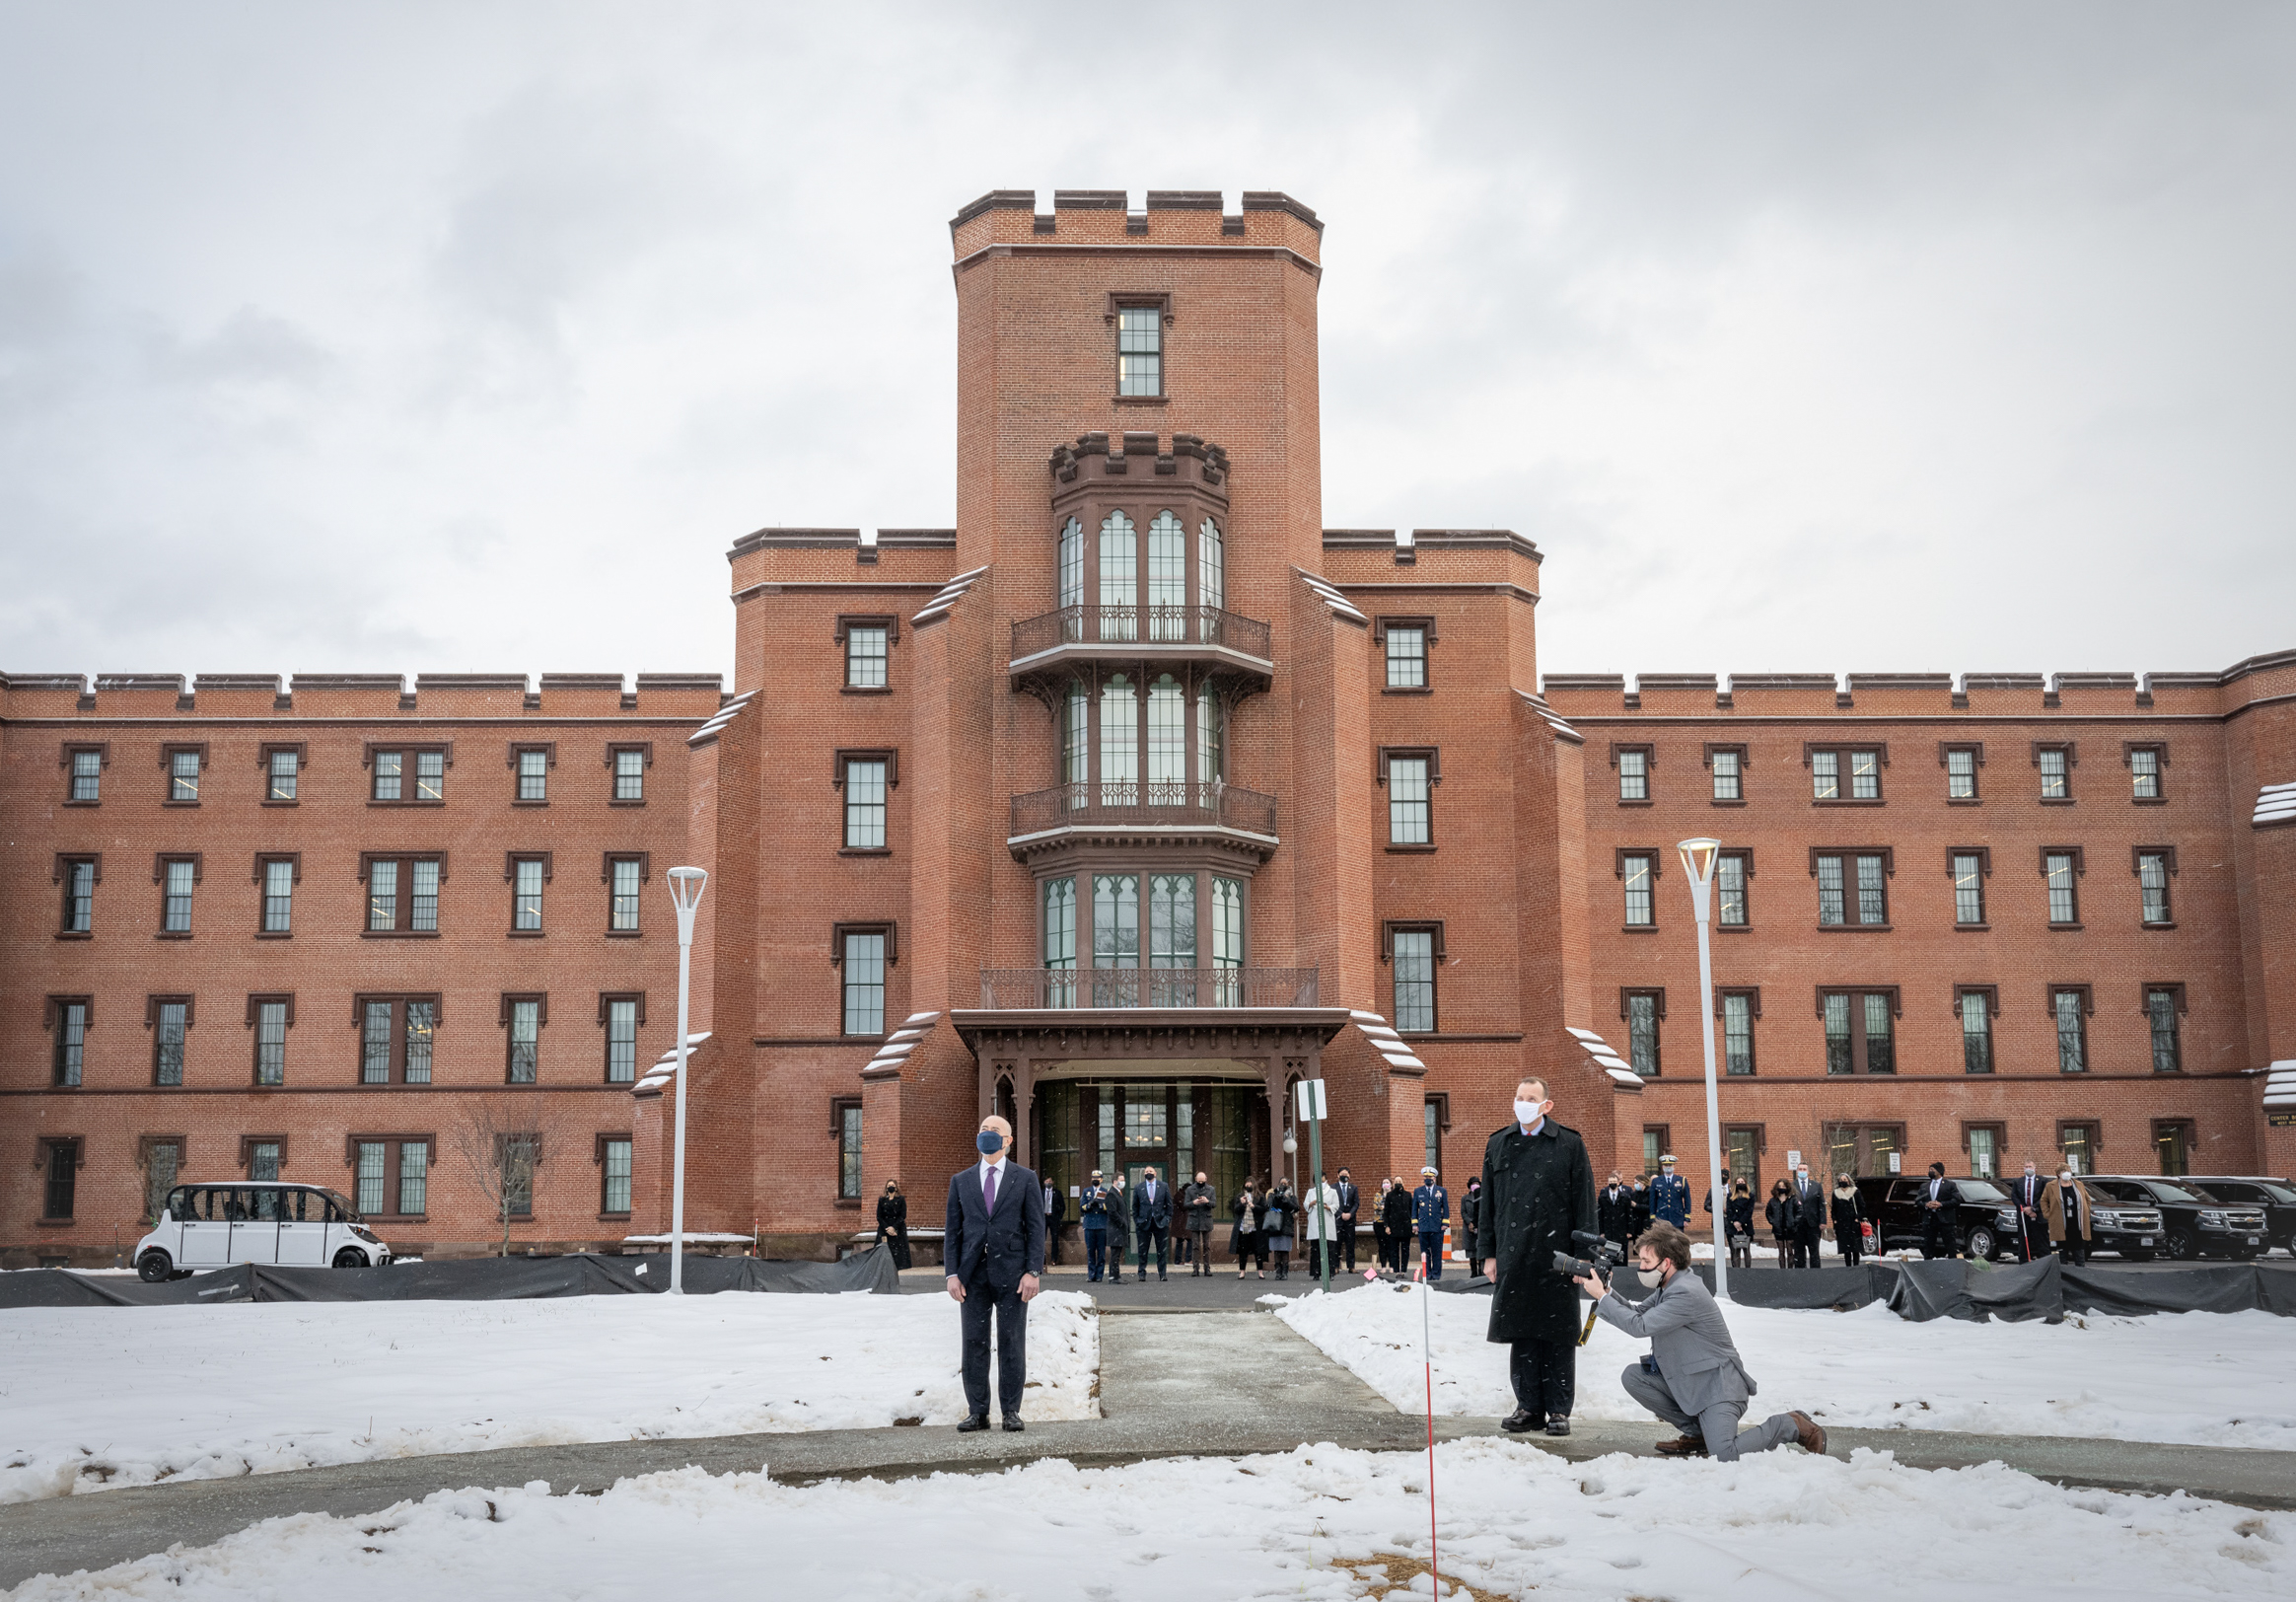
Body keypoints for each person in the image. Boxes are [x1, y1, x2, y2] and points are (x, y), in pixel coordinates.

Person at [1578, 1221, 1829, 1462]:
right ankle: (1698, 1435)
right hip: (1693, 1384)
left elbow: (1640, 1326)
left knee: (1725, 1454)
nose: (1641, 1267)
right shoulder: (1670, 1284)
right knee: (1634, 1377)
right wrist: (1607, 1292)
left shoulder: (1684, 1292)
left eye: (1646, 1261)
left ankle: (1790, 1424)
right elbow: (1641, 1314)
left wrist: (1600, 1296)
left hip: (1719, 1388)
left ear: (1667, 1262)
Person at [1477, 1077, 1596, 1438]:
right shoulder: (1499, 1143)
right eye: (1519, 1097)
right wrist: (1488, 1253)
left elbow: (1584, 1204)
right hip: (1515, 1253)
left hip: (1557, 1255)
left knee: (1558, 1334)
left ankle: (1559, 1410)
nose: (1523, 1103)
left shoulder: (1569, 1144)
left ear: (1547, 1106)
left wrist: (1583, 1259)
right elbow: (1489, 1207)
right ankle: (1528, 1406)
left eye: (1531, 1098)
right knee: (1523, 1332)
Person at [943, 1115, 1044, 1432]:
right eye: (983, 1129)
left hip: (1013, 1275)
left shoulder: (1025, 1178)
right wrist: (951, 1274)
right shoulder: (961, 1180)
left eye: (995, 1130)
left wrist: (1032, 1271)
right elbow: (953, 1232)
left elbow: (1036, 1228)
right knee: (974, 1342)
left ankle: (1011, 1411)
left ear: (1008, 1140)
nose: (987, 1134)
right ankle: (978, 1412)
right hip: (972, 1276)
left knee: (1012, 1341)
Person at [2044, 1162, 2096, 1266]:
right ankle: (2063, 1274)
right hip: (2061, 1223)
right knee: (2063, 1252)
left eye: (2068, 1171)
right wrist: (2048, 1215)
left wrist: (2086, 1210)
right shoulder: (2051, 1186)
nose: (2066, 1173)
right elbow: (2044, 1201)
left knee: (2079, 1251)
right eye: (2063, 1171)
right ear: (2058, 1174)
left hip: (2077, 1223)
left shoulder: (2078, 1184)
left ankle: (2080, 1274)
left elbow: (2087, 1200)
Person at [1131, 1166, 1172, 1282]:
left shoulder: (1163, 1186)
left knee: (1161, 1251)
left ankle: (1162, 1274)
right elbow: (1135, 1206)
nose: (1148, 1173)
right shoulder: (1139, 1187)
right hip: (1143, 1224)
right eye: (1146, 1171)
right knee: (1142, 1250)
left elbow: (1169, 1205)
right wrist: (1137, 1221)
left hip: (1160, 1223)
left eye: (1150, 1171)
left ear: (1155, 1173)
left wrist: (1167, 1219)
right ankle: (1142, 1274)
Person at [1412, 1165, 1450, 1279]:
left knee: (1437, 1253)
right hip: (1423, 1226)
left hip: (1437, 1226)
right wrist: (1414, 1224)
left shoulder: (1441, 1191)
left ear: (1434, 1178)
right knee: (1425, 1253)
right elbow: (1414, 1208)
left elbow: (1446, 1208)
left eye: (1430, 1177)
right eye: (1426, 1177)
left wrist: (1445, 1223)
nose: (1428, 1178)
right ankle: (1427, 1275)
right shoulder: (1418, 1191)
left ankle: (1436, 1275)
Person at [1918, 1163, 1963, 1260]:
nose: (1930, 1171)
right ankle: (1928, 1263)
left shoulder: (1949, 1185)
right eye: (1929, 1169)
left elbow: (1956, 1200)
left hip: (1945, 1220)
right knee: (1928, 1244)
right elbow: (1918, 1200)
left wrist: (1941, 1204)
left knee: (1950, 1244)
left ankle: (1953, 1263)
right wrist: (1926, 1204)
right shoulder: (1924, 1186)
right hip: (1930, 1219)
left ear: (1939, 1171)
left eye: (1932, 1170)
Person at [1303, 1171, 1340, 1279]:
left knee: (1329, 1249)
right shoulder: (1311, 1192)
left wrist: (1328, 1207)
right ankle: (1316, 1273)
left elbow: (1336, 1205)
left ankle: (1330, 1273)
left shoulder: (1332, 1191)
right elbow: (1305, 1204)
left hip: (1327, 1221)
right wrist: (1311, 1203)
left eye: (1323, 1180)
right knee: (1316, 1249)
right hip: (1315, 1222)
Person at [1181, 1170, 1218, 1276]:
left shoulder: (1211, 1189)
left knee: (1207, 1246)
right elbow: (1186, 1204)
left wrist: (1207, 1201)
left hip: (1206, 1219)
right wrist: (1194, 1203)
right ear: (1196, 1179)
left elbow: (1214, 1204)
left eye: (1202, 1181)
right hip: (1194, 1219)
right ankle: (1195, 1268)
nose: (1200, 1183)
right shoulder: (1190, 1190)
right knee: (1195, 1246)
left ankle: (1207, 1268)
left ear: (1205, 1180)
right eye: (1199, 1181)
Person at [2010, 1161, 2050, 1261]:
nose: (2028, 1168)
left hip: (2039, 1217)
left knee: (2042, 1242)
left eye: (2030, 1166)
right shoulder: (2018, 1182)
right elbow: (2014, 1196)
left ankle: (2044, 1264)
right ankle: (2024, 1264)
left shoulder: (2043, 1181)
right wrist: (2025, 1209)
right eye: (2026, 1167)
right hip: (2023, 1217)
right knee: (2023, 1243)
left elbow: (2045, 1197)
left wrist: (2033, 1208)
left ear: (2035, 1168)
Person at [1790, 1163, 1827, 1269]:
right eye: (1800, 1169)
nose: (1802, 1171)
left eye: (1804, 1169)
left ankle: (1815, 1274)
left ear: (1808, 1171)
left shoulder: (1816, 1186)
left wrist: (1823, 1221)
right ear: (1797, 1171)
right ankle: (1801, 1274)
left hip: (1813, 1224)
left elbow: (1821, 1204)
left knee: (1814, 1251)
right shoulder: (1792, 1186)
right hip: (1798, 1225)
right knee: (1799, 1252)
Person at [1078, 1169, 1112, 1283]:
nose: (1095, 1180)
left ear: (1101, 1179)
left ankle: (1099, 1275)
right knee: (1090, 1251)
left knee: (1101, 1252)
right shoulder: (1086, 1191)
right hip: (1090, 1225)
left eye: (1097, 1178)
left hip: (1101, 1225)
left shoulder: (1105, 1191)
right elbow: (1081, 1208)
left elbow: (1109, 1208)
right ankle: (1091, 1274)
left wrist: (1101, 1206)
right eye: (1093, 1178)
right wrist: (1089, 1205)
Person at [875, 1179, 912, 1270]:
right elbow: (879, 1216)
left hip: (898, 1229)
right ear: (886, 1188)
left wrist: (894, 1228)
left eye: (892, 1185)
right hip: (884, 1229)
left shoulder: (901, 1200)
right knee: (883, 1255)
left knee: (898, 1257)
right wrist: (887, 1228)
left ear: (896, 1188)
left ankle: (895, 1275)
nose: (890, 1187)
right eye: (888, 1186)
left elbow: (903, 1215)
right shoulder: (882, 1200)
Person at [1830, 1173, 1864, 1269]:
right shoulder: (1835, 1193)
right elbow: (1834, 1209)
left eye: (1845, 1179)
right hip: (1841, 1224)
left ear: (1849, 1181)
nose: (1843, 1181)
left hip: (1853, 1223)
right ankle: (1848, 1267)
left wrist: (1858, 1218)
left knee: (1855, 1247)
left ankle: (1856, 1266)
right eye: (1841, 1179)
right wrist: (1835, 1220)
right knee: (1846, 1249)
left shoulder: (1855, 1192)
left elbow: (1862, 1206)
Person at [1264, 1176, 1297, 1279]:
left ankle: (1285, 1272)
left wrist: (1286, 1200)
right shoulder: (1273, 1194)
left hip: (1286, 1224)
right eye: (1281, 1182)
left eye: (1285, 1183)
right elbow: (1268, 1205)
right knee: (1277, 1250)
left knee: (1285, 1249)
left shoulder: (1292, 1196)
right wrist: (1276, 1198)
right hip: (1275, 1224)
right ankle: (1278, 1272)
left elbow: (1296, 1208)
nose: (1283, 1185)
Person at [1232, 1179, 1265, 1278]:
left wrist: (1254, 1206)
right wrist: (1242, 1204)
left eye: (1250, 1184)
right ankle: (1242, 1271)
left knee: (1258, 1251)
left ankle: (1260, 1271)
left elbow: (1264, 1209)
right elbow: (1236, 1210)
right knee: (1243, 1251)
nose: (1248, 1185)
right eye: (1246, 1183)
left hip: (1256, 1227)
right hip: (1243, 1227)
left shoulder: (1260, 1196)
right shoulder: (1240, 1196)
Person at [1381, 1176, 1413, 1274]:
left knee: (1405, 1250)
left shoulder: (1408, 1195)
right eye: (1396, 1181)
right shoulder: (1390, 1195)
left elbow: (1412, 1210)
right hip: (1393, 1227)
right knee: (1394, 1251)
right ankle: (1395, 1270)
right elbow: (1386, 1212)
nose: (1398, 1183)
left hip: (1406, 1227)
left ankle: (1404, 1270)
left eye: (1400, 1181)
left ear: (1403, 1183)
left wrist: (1413, 1225)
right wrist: (1386, 1226)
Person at [1598, 1171, 1636, 1253]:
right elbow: (1600, 1215)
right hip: (1608, 1230)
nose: (1613, 1183)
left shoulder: (1625, 1197)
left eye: (1614, 1182)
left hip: (1622, 1230)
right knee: (1610, 1253)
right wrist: (1602, 1231)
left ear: (1618, 1183)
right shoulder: (1602, 1198)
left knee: (1622, 1254)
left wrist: (1630, 1231)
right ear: (1608, 1183)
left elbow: (1629, 1214)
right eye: (1611, 1182)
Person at [1649, 1155, 1690, 1230]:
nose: (1668, 1167)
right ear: (1662, 1167)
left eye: (1670, 1165)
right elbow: (1652, 1200)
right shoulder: (1656, 1181)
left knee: (1677, 1240)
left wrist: (1686, 1217)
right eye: (1665, 1165)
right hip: (1661, 1217)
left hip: (1677, 1217)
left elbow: (1687, 1200)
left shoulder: (1682, 1180)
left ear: (1674, 1166)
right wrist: (1653, 1217)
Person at [1764, 1179, 1799, 1267]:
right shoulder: (1773, 1200)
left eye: (1783, 1186)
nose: (1781, 1188)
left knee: (1790, 1251)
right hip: (1778, 1229)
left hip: (1790, 1229)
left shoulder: (1793, 1199)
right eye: (1780, 1186)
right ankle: (1782, 1269)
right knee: (1781, 1252)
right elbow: (1768, 1212)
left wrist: (1794, 1222)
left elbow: (1799, 1211)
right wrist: (1773, 1222)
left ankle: (1790, 1269)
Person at [1724, 1180, 1755, 1271]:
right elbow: (1729, 1210)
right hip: (1733, 1226)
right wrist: (1735, 1222)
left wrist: (1740, 1222)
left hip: (1746, 1225)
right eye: (1738, 1181)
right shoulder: (1730, 1196)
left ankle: (1747, 1270)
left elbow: (1749, 1211)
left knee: (1746, 1250)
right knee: (1735, 1251)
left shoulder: (1750, 1196)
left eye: (1742, 1181)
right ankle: (1736, 1271)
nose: (1740, 1183)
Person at [1334, 1168, 1361, 1273]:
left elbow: (1356, 1203)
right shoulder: (1333, 1188)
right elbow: (1332, 1203)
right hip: (1338, 1219)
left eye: (1346, 1174)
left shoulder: (1353, 1188)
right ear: (1338, 1175)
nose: (1344, 1176)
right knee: (1337, 1244)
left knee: (1350, 1243)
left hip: (1350, 1220)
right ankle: (1336, 1266)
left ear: (1349, 1176)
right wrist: (1341, 1214)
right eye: (1342, 1174)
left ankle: (1351, 1266)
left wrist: (1350, 1214)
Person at [1460, 1174, 1482, 1271]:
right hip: (1469, 1226)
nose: (1475, 1185)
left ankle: (1482, 1270)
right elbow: (1463, 1212)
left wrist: (1477, 1222)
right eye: (1473, 1183)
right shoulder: (1465, 1198)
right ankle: (1473, 1271)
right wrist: (1470, 1222)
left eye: (1477, 1183)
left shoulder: (1482, 1197)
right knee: (1471, 1250)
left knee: (1480, 1248)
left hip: (1480, 1224)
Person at [1042, 1177, 1066, 1268]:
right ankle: (1042, 1260)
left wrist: (1058, 1217)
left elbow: (1062, 1206)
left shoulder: (1057, 1193)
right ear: (1044, 1182)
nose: (1048, 1183)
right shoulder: (1041, 1192)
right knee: (1041, 1239)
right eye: (1047, 1181)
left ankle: (1054, 1259)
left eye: (1050, 1181)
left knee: (1055, 1239)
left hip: (1053, 1218)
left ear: (1053, 1182)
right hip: (1044, 1217)